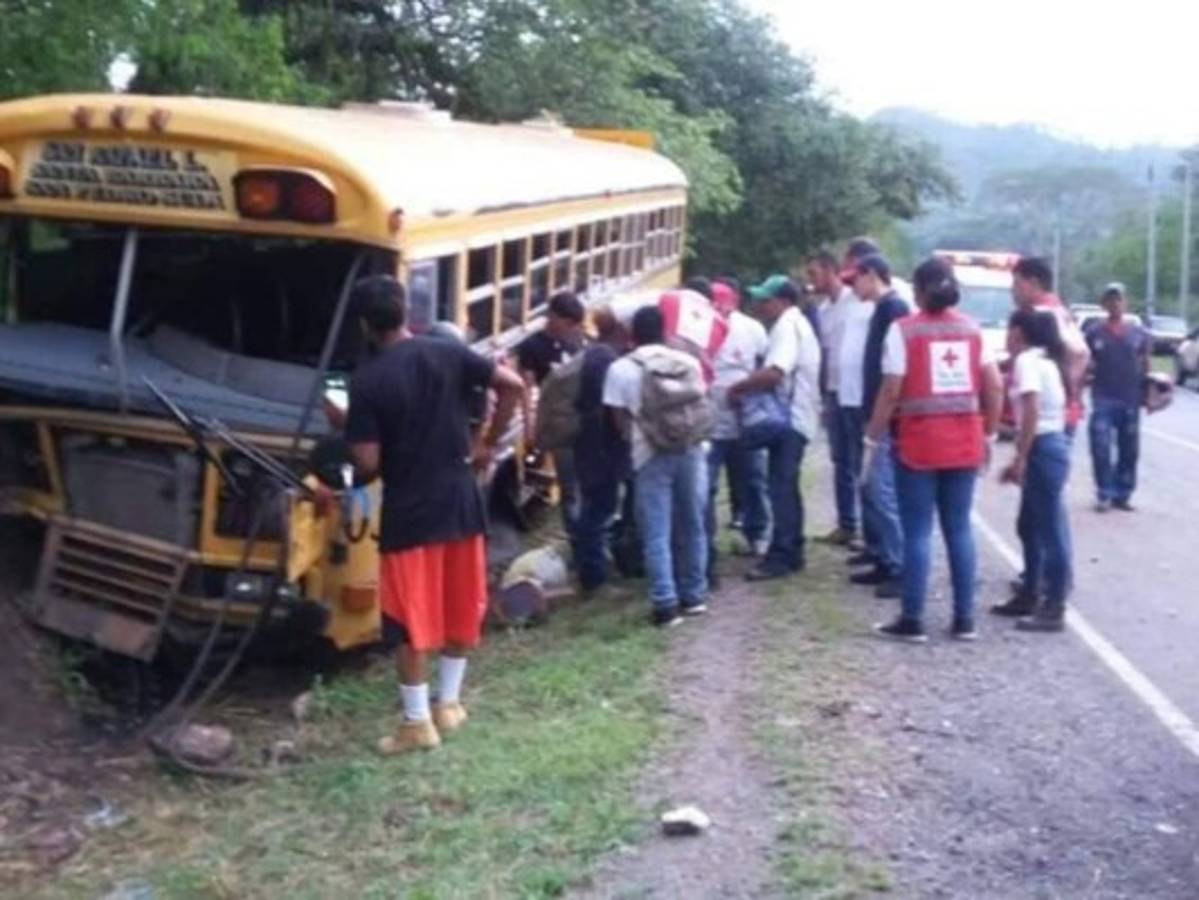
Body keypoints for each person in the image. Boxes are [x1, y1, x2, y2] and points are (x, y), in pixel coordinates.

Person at [342, 276, 524, 754]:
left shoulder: (368, 381)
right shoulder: (446, 353)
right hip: (462, 500)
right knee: (460, 601)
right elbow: (512, 385)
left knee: (408, 616)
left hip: (411, 511)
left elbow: (367, 463)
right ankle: (449, 704)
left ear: (363, 323)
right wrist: (485, 443)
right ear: (405, 311)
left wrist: (344, 424)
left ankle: (416, 723)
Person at [864, 258, 1003, 642]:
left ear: (920, 291)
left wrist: (871, 438)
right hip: (964, 443)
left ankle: (912, 618)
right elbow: (993, 386)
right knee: (959, 529)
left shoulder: (903, 331)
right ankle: (964, 620)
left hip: (919, 445)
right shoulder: (973, 330)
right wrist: (989, 434)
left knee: (918, 532)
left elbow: (891, 390)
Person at [603, 305, 710, 626]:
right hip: (692, 450)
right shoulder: (688, 362)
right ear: (665, 331)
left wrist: (640, 436)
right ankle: (694, 596)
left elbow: (617, 418)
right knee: (692, 524)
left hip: (648, 454)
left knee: (656, 531)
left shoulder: (621, 368)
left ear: (633, 334)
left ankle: (665, 604)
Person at [728, 276, 822, 581]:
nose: (760, 305)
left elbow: (774, 373)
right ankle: (792, 549)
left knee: (780, 487)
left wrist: (740, 386)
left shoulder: (786, 328)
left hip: (789, 419)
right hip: (798, 416)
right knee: (786, 486)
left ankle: (781, 555)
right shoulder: (796, 324)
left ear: (782, 301)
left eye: (766, 300)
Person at [997, 309, 1074, 632]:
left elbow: (1032, 409)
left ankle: (1053, 602)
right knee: (1029, 524)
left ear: (1019, 332)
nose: (1006, 335)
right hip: (1050, 445)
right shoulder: (1048, 362)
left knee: (1049, 528)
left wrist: (1020, 457)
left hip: (1042, 447)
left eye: (1009, 329)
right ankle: (1031, 590)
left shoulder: (1028, 361)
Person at [851, 254, 909, 598]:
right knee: (872, 489)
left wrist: (881, 417)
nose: (854, 286)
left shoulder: (894, 309)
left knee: (882, 490)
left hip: (885, 416)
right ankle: (886, 557)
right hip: (873, 409)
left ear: (871, 275)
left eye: (856, 278)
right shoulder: (882, 309)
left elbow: (894, 373)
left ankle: (899, 565)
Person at [707, 278, 771, 560]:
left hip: (746, 420)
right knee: (706, 485)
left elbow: (764, 365)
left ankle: (756, 533)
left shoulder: (752, 329)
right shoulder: (700, 328)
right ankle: (705, 540)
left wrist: (748, 392)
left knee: (754, 480)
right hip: (709, 422)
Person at [572, 305, 632, 593]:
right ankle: (594, 578)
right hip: (600, 447)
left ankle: (595, 570)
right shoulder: (606, 359)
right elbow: (611, 408)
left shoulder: (597, 353)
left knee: (597, 508)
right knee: (597, 510)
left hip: (593, 445)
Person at [807, 250, 864, 546]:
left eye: (814, 273)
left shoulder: (854, 301)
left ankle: (869, 528)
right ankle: (846, 523)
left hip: (854, 391)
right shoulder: (824, 308)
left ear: (831, 270)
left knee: (860, 459)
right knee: (839, 458)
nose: (811, 281)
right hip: (833, 389)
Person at [517, 290, 586, 531]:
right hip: (559, 426)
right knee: (570, 490)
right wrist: (530, 428)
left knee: (585, 486)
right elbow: (527, 389)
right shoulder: (531, 347)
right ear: (553, 318)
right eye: (567, 323)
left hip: (583, 422)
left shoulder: (577, 340)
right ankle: (578, 542)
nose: (572, 329)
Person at [1085, 283, 1150, 512]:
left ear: (1125, 302)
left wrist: (1148, 396)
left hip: (1129, 398)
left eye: (1119, 299)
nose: (1115, 304)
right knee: (1100, 445)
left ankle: (1123, 493)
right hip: (1103, 397)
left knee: (1129, 449)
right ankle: (1104, 491)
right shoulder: (1094, 332)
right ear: (1104, 304)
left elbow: (1145, 366)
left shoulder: (1139, 334)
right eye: (1110, 300)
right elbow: (1084, 363)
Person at [1010, 257, 1089, 437]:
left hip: (1049, 419)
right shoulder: (1054, 309)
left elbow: (1080, 353)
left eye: (1017, 284)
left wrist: (1058, 385)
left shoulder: (1045, 314)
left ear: (1034, 283)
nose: (1013, 291)